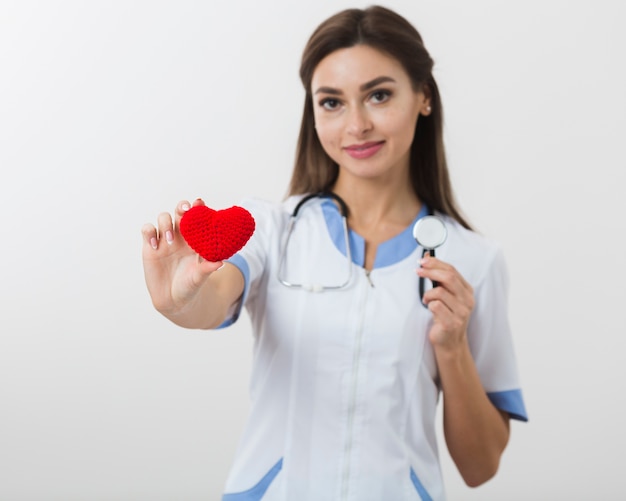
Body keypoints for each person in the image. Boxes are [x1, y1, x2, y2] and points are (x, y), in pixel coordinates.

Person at [141, 5, 527, 500]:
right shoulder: (272, 228)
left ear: (424, 97)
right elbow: (209, 299)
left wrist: (451, 348)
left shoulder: (474, 260)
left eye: (379, 95)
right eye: (331, 103)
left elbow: (480, 466)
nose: (357, 125)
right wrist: (177, 302)